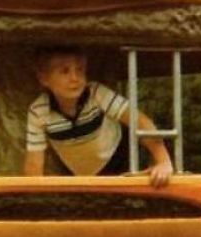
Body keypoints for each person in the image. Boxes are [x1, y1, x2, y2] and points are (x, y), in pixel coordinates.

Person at [24, 47, 173, 187]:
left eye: (80, 70)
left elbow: (141, 121)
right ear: (44, 79)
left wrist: (163, 162)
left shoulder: (96, 93)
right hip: (76, 169)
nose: (75, 78)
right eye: (65, 71)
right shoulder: (38, 111)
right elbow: (34, 164)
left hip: (116, 155)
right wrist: (33, 195)